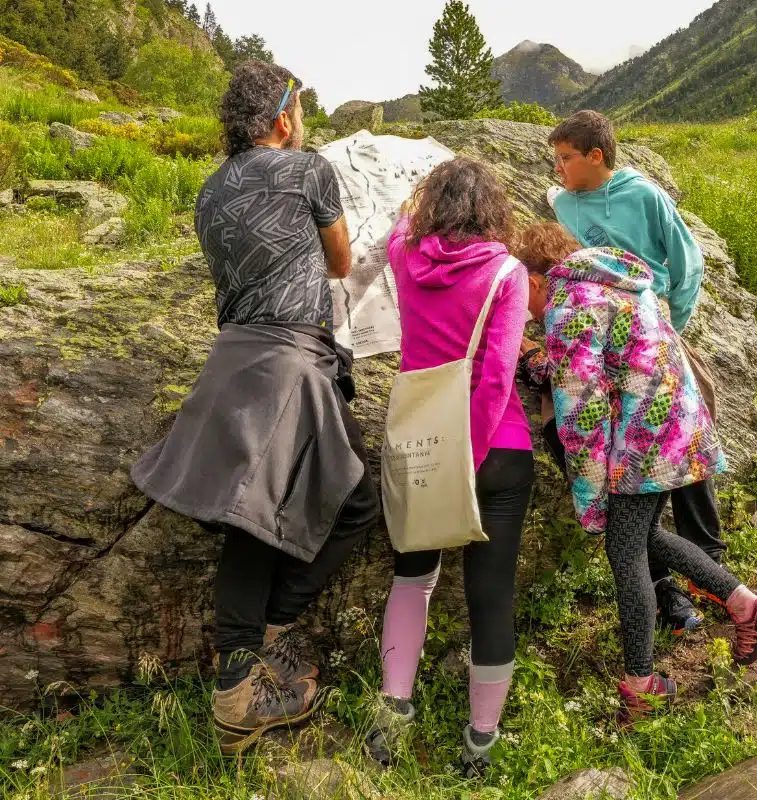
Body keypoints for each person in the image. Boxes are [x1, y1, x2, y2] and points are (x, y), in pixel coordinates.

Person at [130, 61, 378, 755]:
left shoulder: (210, 191)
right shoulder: (310, 170)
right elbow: (337, 262)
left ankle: (253, 660)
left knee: (250, 513)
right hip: (291, 362)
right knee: (346, 501)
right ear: (282, 117)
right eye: (296, 111)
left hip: (234, 356)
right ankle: (245, 682)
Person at [514, 223, 757, 721]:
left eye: (521, 291)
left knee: (626, 553)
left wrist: (590, 491)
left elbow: (581, 411)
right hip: (675, 428)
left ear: (535, 280)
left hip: (643, 443)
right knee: (646, 540)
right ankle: (752, 608)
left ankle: (642, 684)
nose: (524, 308)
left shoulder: (567, 307)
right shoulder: (612, 284)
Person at [366, 158, 533, 778]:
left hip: (419, 445)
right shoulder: (507, 274)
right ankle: (480, 744)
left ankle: (392, 717)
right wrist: (474, 452)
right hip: (498, 451)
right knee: (490, 596)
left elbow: (397, 226)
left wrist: (418, 207)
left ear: (432, 205)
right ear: (494, 210)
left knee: (412, 580)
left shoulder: (404, 259)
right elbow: (496, 377)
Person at [543, 109, 726, 634]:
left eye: (565, 158)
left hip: (653, 328)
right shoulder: (563, 206)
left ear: (595, 156)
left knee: (683, 436)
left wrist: (673, 321)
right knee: (625, 455)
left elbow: (687, 261)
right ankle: (665, 587)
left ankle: (708, 561)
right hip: (605, 340)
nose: (558, 169)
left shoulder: (643, 196)